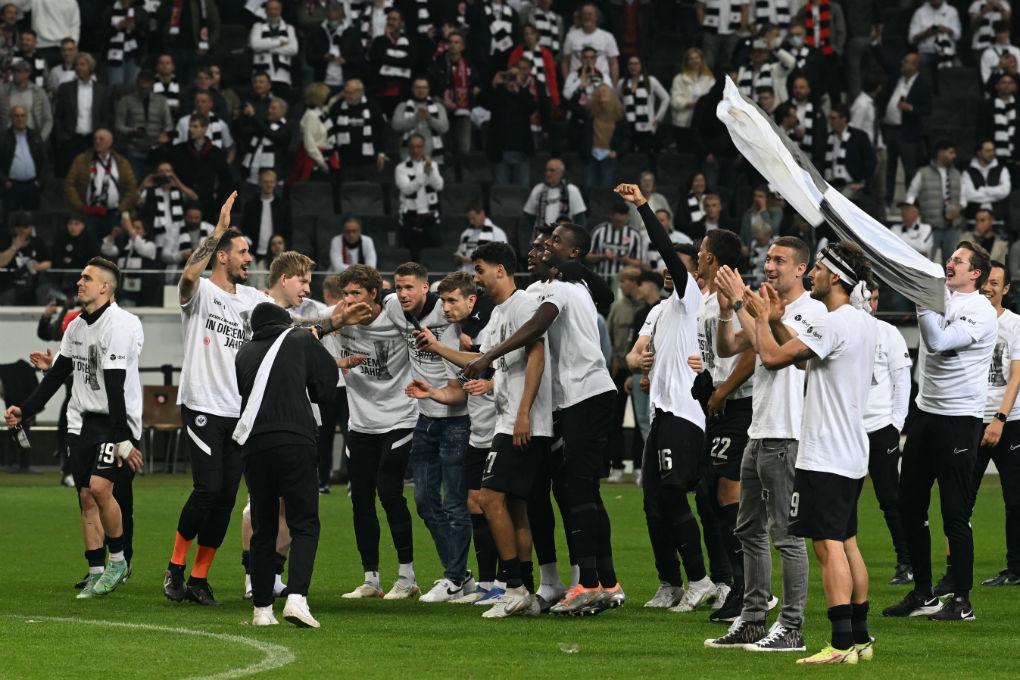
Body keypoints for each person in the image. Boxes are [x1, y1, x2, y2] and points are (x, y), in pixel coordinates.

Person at [463, 220, 620, 615]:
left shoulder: (562, 288)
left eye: (552, 243)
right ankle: (599, 580)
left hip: (586, 392)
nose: (543, 247)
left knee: (577, 490)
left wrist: (488, 356)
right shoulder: (536, 290)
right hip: (565, 401)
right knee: (564, 492)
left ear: (572, 255)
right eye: (541, 242)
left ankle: (587, 584)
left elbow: (538, 327)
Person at [748, 241, 877, 665]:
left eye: (819, 269)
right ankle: (860, 637)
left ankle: (839, 644)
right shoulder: (861, 322)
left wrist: (763, 319)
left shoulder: (833, 321)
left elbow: (770, 358)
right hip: (853, 451)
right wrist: (781, 323)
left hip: (824, 453)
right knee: (848, 543)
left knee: (827, 547)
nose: (814, 275)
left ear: (835, 276)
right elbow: (805, 361)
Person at [415, 246, 552, 617]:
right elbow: (478, 361)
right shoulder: (498, 317)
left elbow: (537, 354)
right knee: (514, 507)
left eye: (480, 270)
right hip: (508, 421)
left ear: (500, 270)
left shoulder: (525, 304)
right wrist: (439, 347)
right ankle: (523, 589)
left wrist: (524, 412)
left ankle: (513, 586)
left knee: (489, 499)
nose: (476, 277)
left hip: (521, 423)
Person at [708, 235, 826, 651]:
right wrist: (727, 312)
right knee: (749, 530)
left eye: (780, 260)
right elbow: (728, 347)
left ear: (801, 270)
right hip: (758, 432)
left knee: (787, 536)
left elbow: (776, 349)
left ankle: (791, 626)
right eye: (768, 258)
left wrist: (745, 306)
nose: (770, 266)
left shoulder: (814, 312)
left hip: (788, 434)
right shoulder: (761, 302)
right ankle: (753, 620)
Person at [5, 257, 143, 598]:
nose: (79, 283)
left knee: (100, 488)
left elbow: (114, 384)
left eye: (87, 278)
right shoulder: (76, 327)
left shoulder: (121, 324)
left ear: (105, 287)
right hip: (82, 420)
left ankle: (118, 561)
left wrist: (123, 437)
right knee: (85, 495)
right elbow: (55, 377)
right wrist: (24, 409)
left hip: (115, 421)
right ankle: (96, 569)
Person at [162, 193, 274, 607]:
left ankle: (199, 577)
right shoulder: (202, 292)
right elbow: (188, 277)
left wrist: (336, 320)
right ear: (222, 257)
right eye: (242, 251)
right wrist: (218, 231)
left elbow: (292, 322)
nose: (249, 258)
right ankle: (175, 566)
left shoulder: (254, 301)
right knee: (207, 490)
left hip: (238, 412)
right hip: (203, 404)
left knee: (226, 498)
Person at [614, 182, 715, 614]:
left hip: (685, 413)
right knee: (653, 503)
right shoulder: (657, 312)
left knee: (673, 494)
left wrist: (642, 206)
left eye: (682, 267)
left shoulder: (690, 299)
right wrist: (639, 363)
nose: (674, 271)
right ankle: (669, 582)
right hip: (660, 414)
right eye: (673, 268)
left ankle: (701, 579)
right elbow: (634, 356)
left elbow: (667, 252)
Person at [884, 241, 996, 621]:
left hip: (959, 421)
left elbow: (939, 341)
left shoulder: (980, 310)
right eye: (950, 258)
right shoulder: (941, 297)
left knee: (954, 514)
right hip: (926, 415)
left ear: (975, 273)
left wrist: (921, 301)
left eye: (959, 261)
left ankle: (961, 601)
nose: (950, 264)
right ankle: (923, 594)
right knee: (909, 506)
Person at [235, 301, 338, 628]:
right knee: (304, 523)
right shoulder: (300, 339)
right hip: (295, 440)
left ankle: (262, 610)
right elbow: (326, 386)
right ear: (284, 323)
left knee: (263, 528)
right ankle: (297, 599)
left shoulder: (244, 353)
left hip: (254, 446)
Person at [380, 262, 474, 602]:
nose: (402, 294)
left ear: (426, 288)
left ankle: (453, 577)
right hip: (425, 419)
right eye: (398, 286)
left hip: (456, 420)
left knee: (454, 504)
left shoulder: (449, 320)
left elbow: (458, 391)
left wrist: (430, 392)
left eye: (409, 288)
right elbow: (371, 319)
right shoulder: (393, 306)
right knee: (423, 501)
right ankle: (461, 575)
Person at [333, 264, 420, 601]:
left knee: (389, 491)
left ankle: (406, 575)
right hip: (361, 423)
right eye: (345, 294)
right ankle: (371, 579)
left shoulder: (395, 319)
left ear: (374, 294)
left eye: (356, 293)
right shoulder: (338, 321)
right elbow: (303, 332)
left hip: (399, 418)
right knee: (361, 500)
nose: (350, 300)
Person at [690, 229, 756, 622]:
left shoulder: (740, 299)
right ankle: (736, 584)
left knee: (729, 494)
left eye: (701, 253)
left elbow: (753, 352)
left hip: (740, 406)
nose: (697, 258)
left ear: (712, 259)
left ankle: (750, 591)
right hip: (718, 405)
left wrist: (724, 389)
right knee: (709, 496)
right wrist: (709, 381)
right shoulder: (706, 302)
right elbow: (719, 356)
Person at [970, 260, 1020, 587]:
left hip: (1010, 421)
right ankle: (954, 571)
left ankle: (1015, 570)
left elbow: (1016, 376)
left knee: (1015, 500)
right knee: (959, 498)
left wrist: (1000, 418)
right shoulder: (968, 320)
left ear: (1006, 289)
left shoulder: (1015, 324)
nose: (988, 287)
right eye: (985, 281)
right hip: (972, 419)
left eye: (995, 283)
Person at [861, 281, 914, 585]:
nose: (873, 303)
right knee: (843, 500)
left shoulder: (888, 332)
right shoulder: (840, 327)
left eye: (877, 298)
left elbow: (902, 380)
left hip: (881, 428)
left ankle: (906, 561)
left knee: (890, 498)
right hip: (848, 428)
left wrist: (896, 424)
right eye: (869, 297)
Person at [64, 129, 137, 238]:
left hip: (113, 213)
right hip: (89, 213)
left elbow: (131, 188)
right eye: (95, 139)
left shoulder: (121, 162)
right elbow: (70, 184)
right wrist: (79, 206)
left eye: (101, 139)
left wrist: (121, 208)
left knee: (112, 247)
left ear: (110, 142)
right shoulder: (82, 160)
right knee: (93, 248)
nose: (97, 141)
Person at [53, 52, 113, 176]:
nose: (79, 67)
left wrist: (102, 137)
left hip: (93, 141)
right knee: (69, 177)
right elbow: (58, 115)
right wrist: (62, 137)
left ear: (90, 67)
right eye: (76, 65)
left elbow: (106, 116)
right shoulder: (65, 88)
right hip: (71, 139)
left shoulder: (102, 90)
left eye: (82, 64)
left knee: (93, 176)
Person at [904, 141, 964, 263]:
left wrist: (959, 208)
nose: (954, 156)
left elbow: (964, 197)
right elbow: (911, 194)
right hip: (929, 226)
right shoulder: (923, 173)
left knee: (952, 265)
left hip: (952, 227)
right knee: (927, 263)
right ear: (940, 153)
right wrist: (911, 213)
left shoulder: (957, 174)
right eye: (951, 152)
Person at [113, 69, 173, 180]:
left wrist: (165, 134)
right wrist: (132, 130)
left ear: (152, 83)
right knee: (133, 183)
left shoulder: (161, 101)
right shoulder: (126, 100)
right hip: (134, 148)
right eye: (142, 82)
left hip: (156, 149)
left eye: (147, 82)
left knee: (156, 184)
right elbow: (118, 126)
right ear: (137, 82)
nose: (144, 85)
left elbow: (168, 124)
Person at [394, 133, 443, 263]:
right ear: (408, 148)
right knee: (413, 260)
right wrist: (424, 175)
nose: (415, 150)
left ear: (423, 147)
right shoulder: (401, 168)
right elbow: (407, 189)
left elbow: (439, 186)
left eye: (419, 147)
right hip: (410, 218)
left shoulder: (433, 165)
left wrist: (430, 171)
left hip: (430, 217)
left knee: (435, 256)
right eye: (412, 147)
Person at [0, 104, 47, 222]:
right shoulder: (3, 137)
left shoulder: (35, 135)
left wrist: (39, 181)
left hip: (32, 185)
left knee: (32, 220)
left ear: (27, 117)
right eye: (16, 116)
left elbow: (44, 160)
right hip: (12, 186)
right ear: (11, 118)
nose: (20, 119)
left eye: (23, 115)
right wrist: (4, 180)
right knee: (9, 220)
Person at [249, 0, 298, 100]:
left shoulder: (289, 28)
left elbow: (293, 49)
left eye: (276, 9)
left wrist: (267, 48)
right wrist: (279, 42)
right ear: (265, 11)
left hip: (282, 76)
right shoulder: (258, 26)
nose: (273, 12)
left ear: (280, 11)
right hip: (261, 75)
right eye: (270, 9)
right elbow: (255, 45)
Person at [392, 77, 449, 164]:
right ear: (412, 89)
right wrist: (415, 118)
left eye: (424, 87)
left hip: (433, 157)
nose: (421, 90)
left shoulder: (438, 107)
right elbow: (396, 126)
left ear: (428, 89)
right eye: (418, 87)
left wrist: (429, 118)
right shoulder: (402, 106)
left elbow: (444, 128)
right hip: (408, 156)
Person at [824, 104, 876, 196]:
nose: (830, 121)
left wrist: (863, 182)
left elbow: (871, 161)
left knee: (840, 201)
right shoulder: (828, 138)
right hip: (831, 184)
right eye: (830, 118)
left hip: (851, 184)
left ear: (843, 119)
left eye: (833, 118)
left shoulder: (859, 137)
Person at [587, 202, 646, 283]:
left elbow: (639, 263)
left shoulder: (635, 235)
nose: (619, 224)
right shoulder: (599, 231)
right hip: (601, 278)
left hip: (623, 281)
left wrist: (625, 259)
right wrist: (603, 256)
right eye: (617, 221)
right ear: (611, 215)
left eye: (622, 221)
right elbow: (587, 257)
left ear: (628, 217)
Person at [523, 157, 587, 233]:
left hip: (564, 240)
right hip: (541, 238)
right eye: (547, 170)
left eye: (552, 170)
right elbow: (528, 219)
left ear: (561, 173)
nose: (548, 173)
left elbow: (580, 220)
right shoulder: (538, 189)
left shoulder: (572, 190)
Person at [670, 47, 715, 149]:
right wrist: (690, 104)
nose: (694, 61)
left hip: (703, 122)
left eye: (697, 58)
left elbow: (713, 99)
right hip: (684, 122)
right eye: (691, 59)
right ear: (687, 62)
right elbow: (675, 100)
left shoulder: (710, 79)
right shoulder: (679, 79)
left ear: (701, 60)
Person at [0, 59, 52, 141]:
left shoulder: (38, 92)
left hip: (32, 137)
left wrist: (41, 138)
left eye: (17, 71)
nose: (14, 74)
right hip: (8, 139)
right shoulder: (3, 91)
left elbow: (48, 119)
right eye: (13, 71)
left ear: (27, 73)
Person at [454, 203, 507, 274]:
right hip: (467, 277)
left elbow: (503, 257)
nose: (471, 221)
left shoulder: (497, 233)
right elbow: (460, 253)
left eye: (473, 218)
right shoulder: (465, 234)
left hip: (487, 276)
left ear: (482, 213)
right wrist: (459, 258)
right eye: (469, 219)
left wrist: (474, 260)